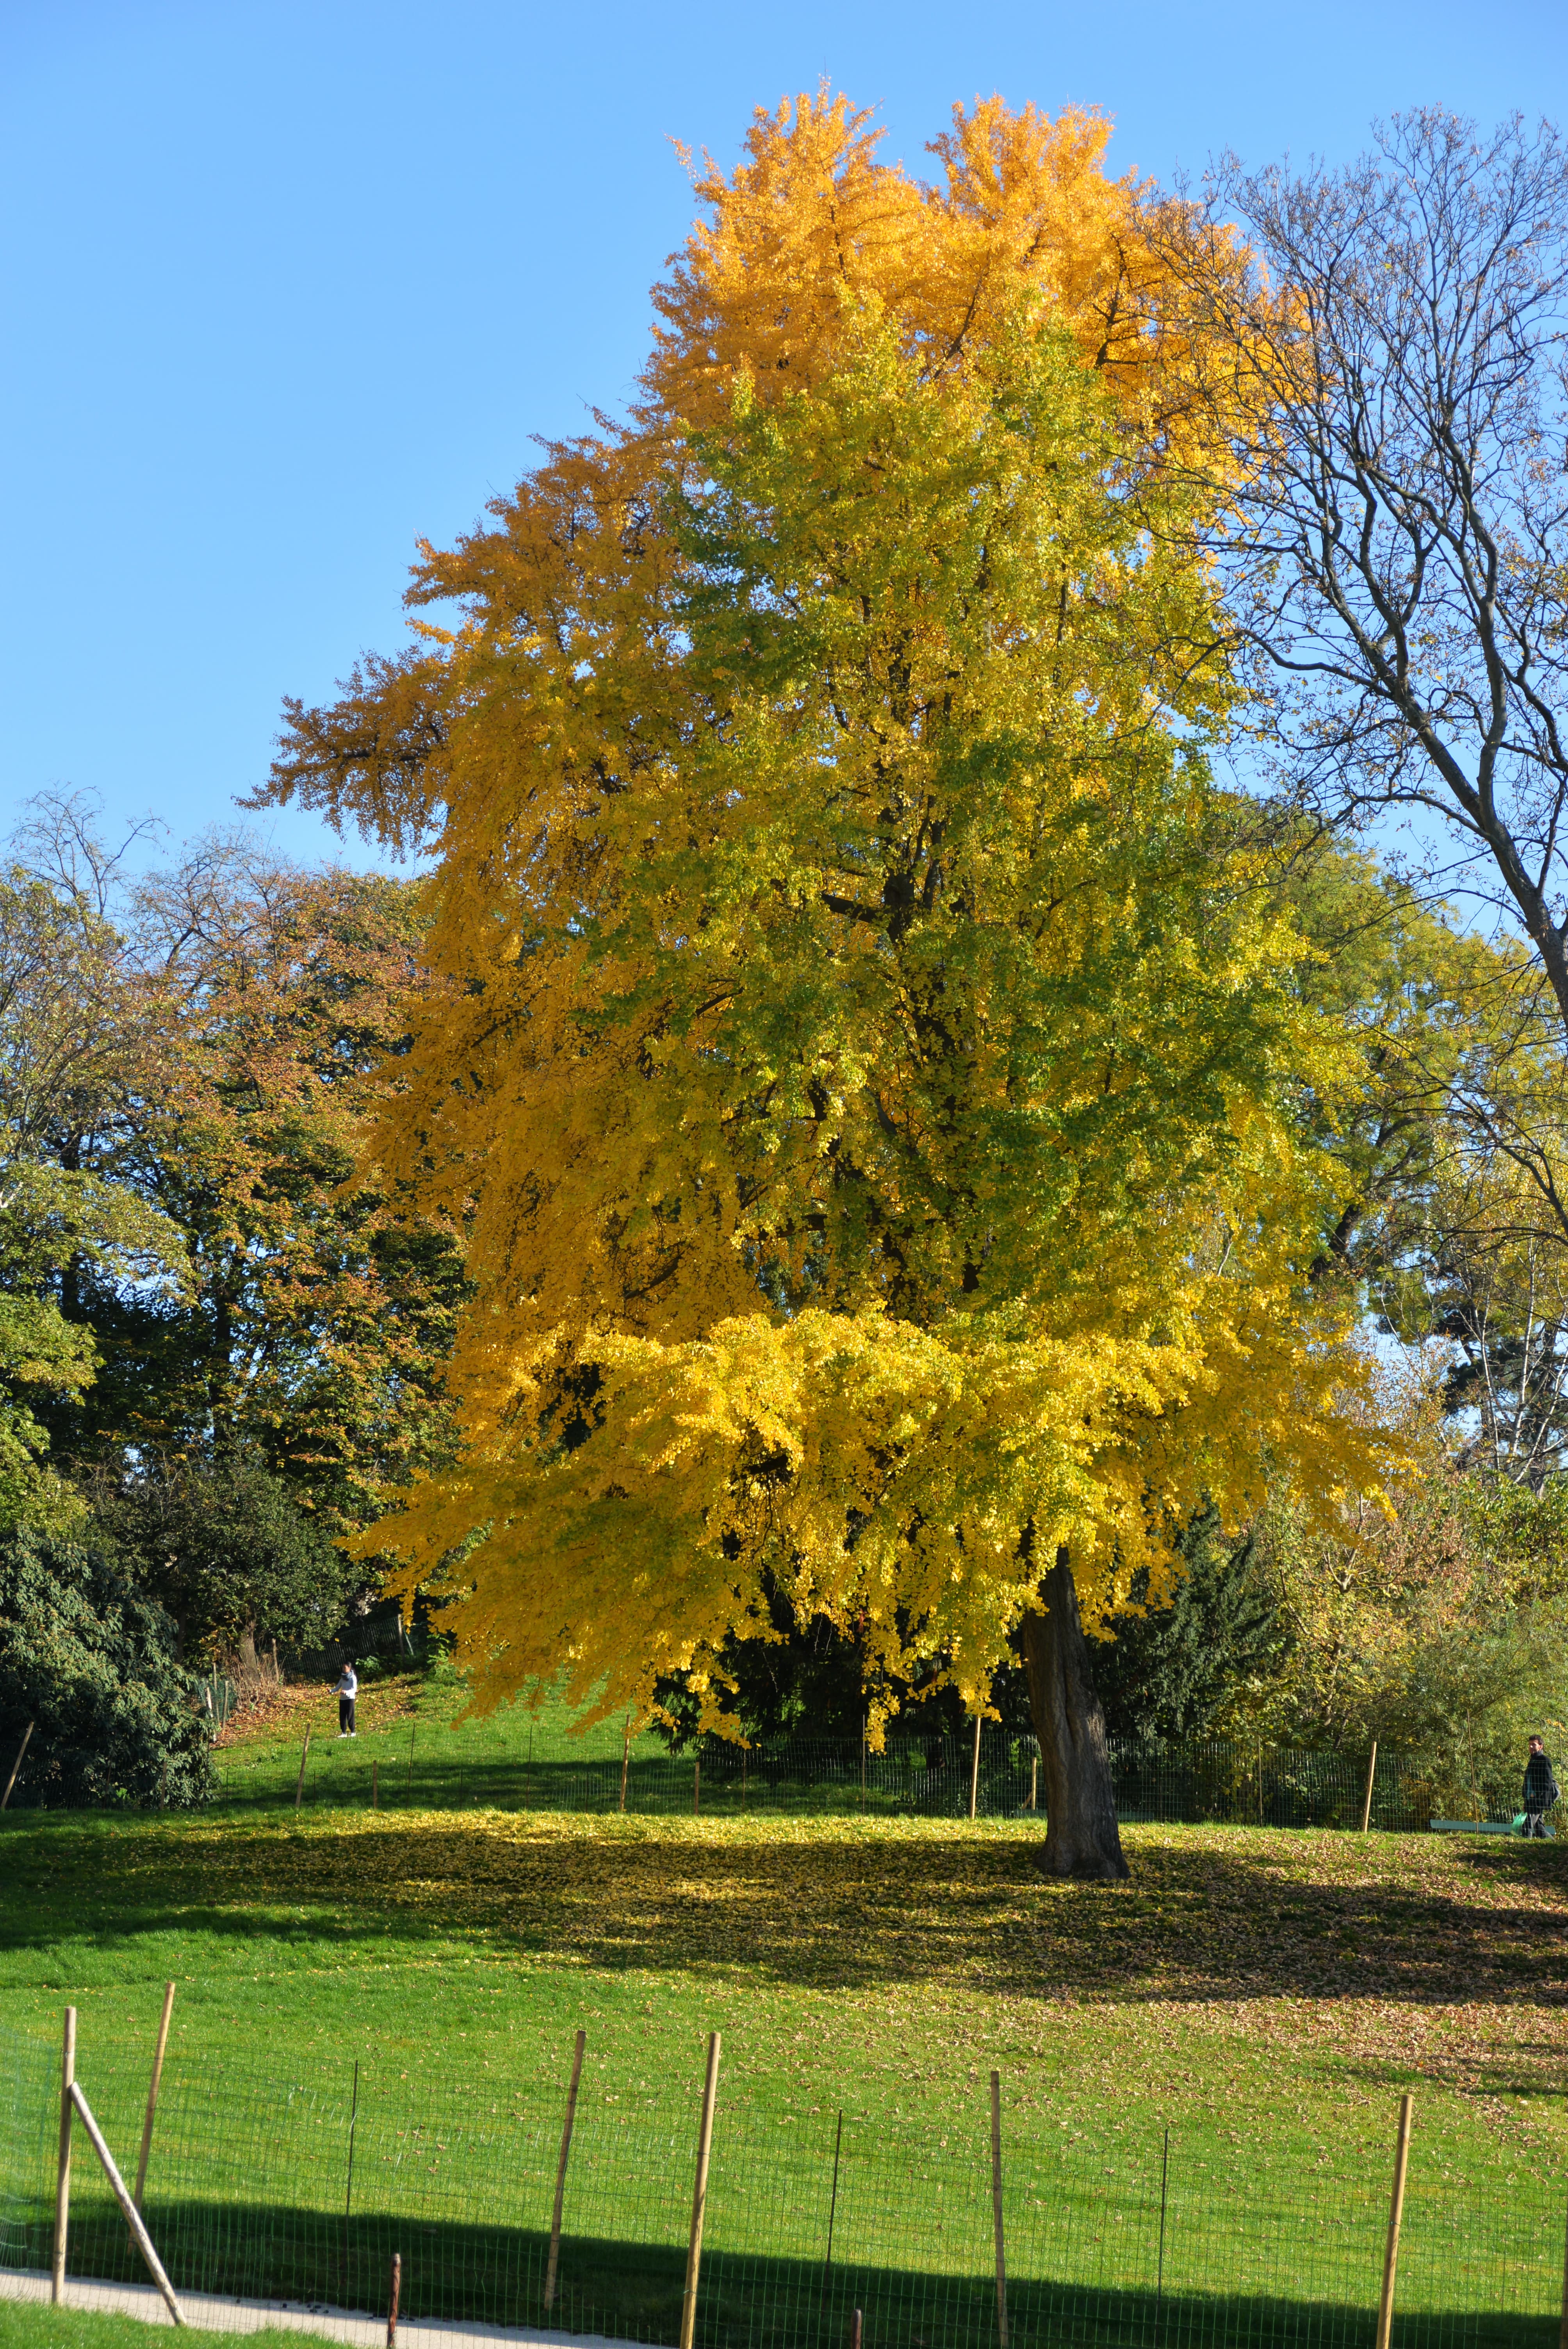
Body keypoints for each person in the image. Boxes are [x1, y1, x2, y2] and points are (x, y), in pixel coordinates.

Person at [1522, 1735, 1559, 1837]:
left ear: (1541, 1746)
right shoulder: (1532, 1761)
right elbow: (1528, 1781)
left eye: (1534, 1744)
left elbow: (1547, 1783)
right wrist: (1526, 1798)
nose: (1531, 1747)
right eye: (1530, 1745)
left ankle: (1524, 1848)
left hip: (1538, 1800)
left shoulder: (1544, 1760)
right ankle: (1554, 1845)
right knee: (1540, 1829)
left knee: (1527, 1826)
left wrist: (1537, 1795)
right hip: (1530, 1798)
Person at [335, 1660, 358, 1738]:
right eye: (343, 1668)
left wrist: (347, 1692)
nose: (344, 1669)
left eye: (345, 1668)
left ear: (349, 1668)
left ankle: (353, 1732)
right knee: (342, 1716)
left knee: (350, 1716)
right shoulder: (342, 1679)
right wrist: (331, 1691)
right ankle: (344, 1733)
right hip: (343, 1700)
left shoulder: (353, 1678)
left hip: (350, 1699)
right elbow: (337, 1688)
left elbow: (354, 1690)